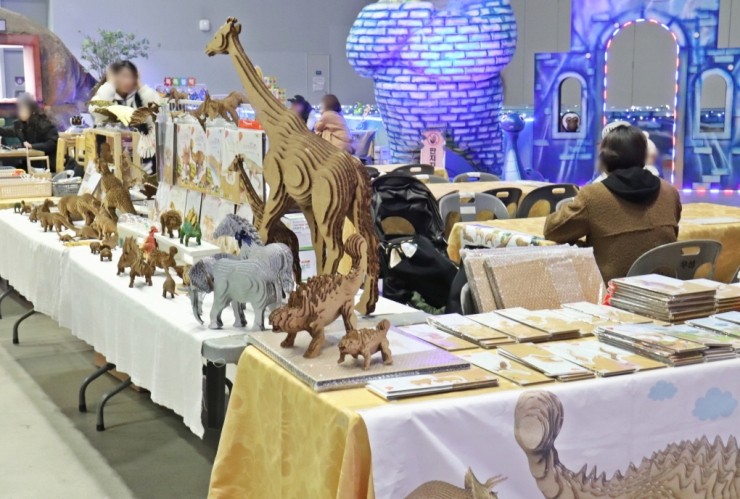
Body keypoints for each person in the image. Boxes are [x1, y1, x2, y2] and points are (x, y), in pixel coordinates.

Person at [544, 124, 682, 283]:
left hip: (614, 292)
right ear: (643, 156)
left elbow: (553, 230)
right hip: (666, 288)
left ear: (605, 158)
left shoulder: (593, 196)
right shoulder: (669, 191)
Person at [0, 94, 59, 170]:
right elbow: (5, 131)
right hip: (30, 162)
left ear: (31, 110)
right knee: (13, 171)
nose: (20, 112)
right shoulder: (20, 125)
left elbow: (52, 144)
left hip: (46, 164)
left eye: (23, 110)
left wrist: (32, 146)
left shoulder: (43, 123)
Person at [89, 60, 161, 121]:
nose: (128, 81)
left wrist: (141, 86)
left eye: (132, 77)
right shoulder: (105, 94)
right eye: (124, 76)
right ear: (115, 77)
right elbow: (97, 111)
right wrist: (110, 83)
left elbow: (157, 111)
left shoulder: (138, 98)